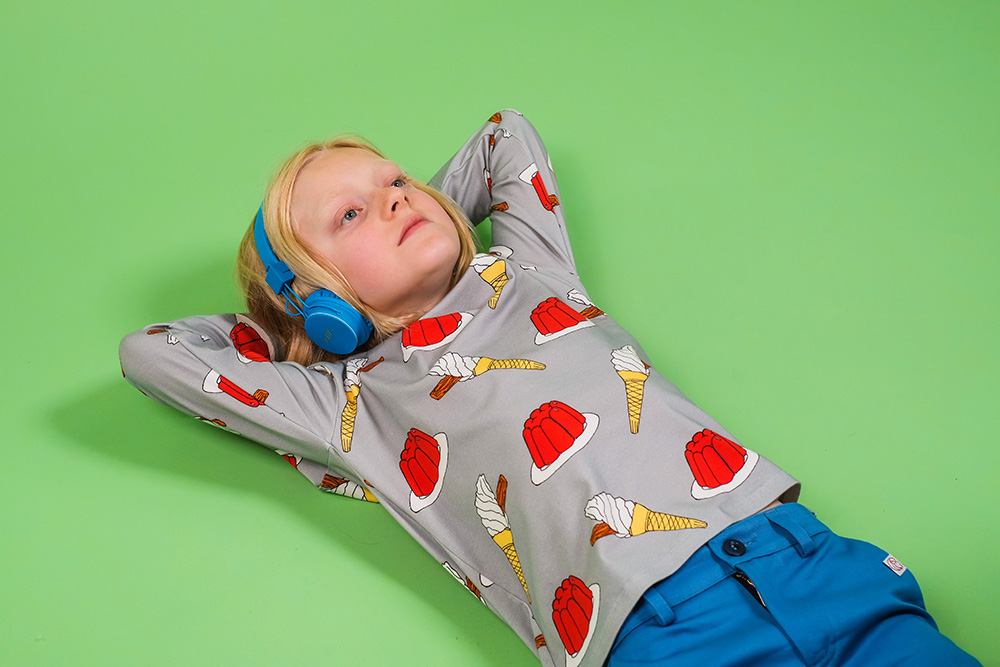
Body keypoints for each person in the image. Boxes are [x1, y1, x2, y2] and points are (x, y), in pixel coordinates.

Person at [119, 110, 979, 666]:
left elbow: (505, 135)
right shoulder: (351, 405)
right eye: (349, 216)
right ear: (314, 293)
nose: (390, 200)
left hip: (799, 554)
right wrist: (300, 328)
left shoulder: (526, 268)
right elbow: (150, 352)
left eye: (395, 182)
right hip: (655, 635)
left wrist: (434, 222)